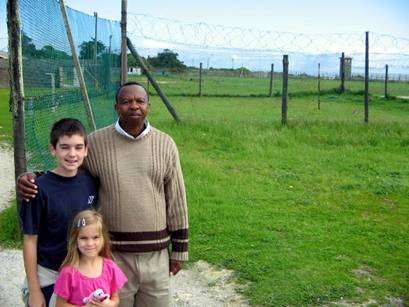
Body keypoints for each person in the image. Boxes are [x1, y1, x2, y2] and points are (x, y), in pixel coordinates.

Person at [19, 82, 189, 307]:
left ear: (149, 106)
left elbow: (176, 197)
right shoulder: (97, 143)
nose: (134, 106)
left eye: (140, 101)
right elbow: (69, 167)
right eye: (127, 101)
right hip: (114, 253)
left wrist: (180, 249)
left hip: (156, 254)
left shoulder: (165, 144)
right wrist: (34, 177)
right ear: (116, 106)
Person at [20, 118, 99, 307]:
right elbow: (30, 240)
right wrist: (34, 289)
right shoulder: (37, 189)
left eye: (78, 147)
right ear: (53, 149)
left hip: (81, 271)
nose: (72, 154)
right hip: (49, 274)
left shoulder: (91, 182)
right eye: (65, 147)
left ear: (86, 150)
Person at [54, 210, 127, 307]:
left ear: (103, 238)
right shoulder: (68, 273)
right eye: (83, 238)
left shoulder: (110, 267)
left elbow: (115, 297)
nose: (90, 243)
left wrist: (111, 304)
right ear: (75, 240)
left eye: (95, 237)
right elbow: (60, 305)